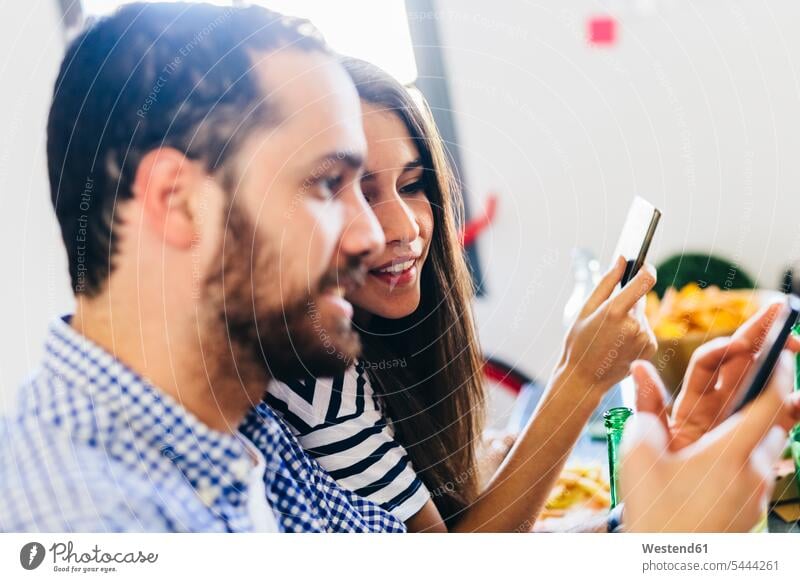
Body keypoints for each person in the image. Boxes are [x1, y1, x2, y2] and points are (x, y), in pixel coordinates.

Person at [0, 2, 405, 533]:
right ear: (178, 201)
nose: (372, 237)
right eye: (327, 184)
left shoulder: (240, 430)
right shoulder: (83, 522)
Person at [266, 57, 662, 532]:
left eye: (411, 186)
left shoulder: (366, 338)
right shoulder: (316, 378)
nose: (405, 227)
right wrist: (579, 380)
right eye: (360, 196)